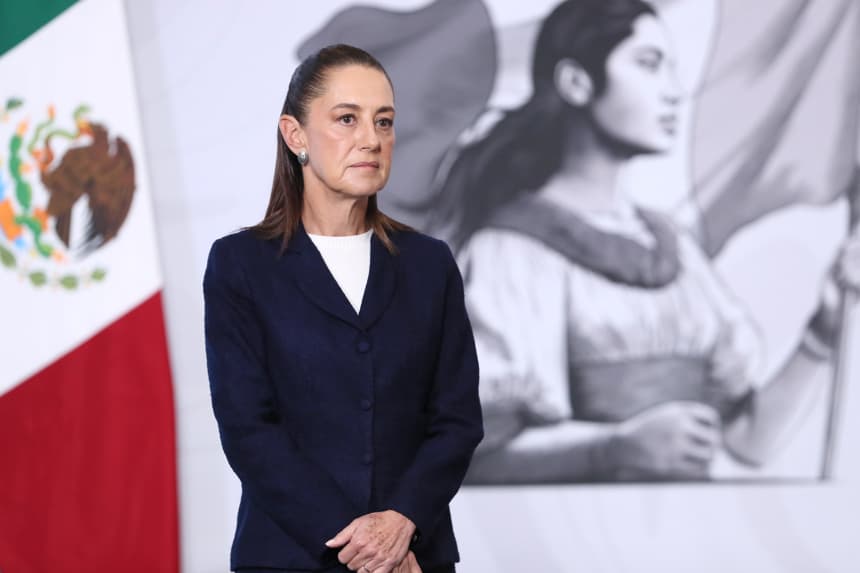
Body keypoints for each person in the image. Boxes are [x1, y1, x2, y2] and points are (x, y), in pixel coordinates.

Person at [431, 0, 856, 483]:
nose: (675, 92)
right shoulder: (512, 251)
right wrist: (614, 448)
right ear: (577, 82)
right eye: (649, 65)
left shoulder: (674, 249)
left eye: (672, 69)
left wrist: (822, 332)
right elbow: (475, 455)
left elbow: (748, 441)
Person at [203, 44, 483, 572]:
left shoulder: (430, 264)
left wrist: (401, 524)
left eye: (384, 121)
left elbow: (457, 422)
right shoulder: (240, 264)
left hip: (415, 557)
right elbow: (248, 429)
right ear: (295, 136)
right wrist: (368, 550)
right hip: (292, 557)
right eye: (347, 119)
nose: (371, 140)